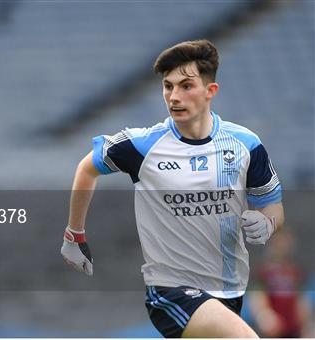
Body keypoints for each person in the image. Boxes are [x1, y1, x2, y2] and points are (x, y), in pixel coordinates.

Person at [61, 39, 284, 338]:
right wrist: (74, 234)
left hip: (229, 291)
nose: (174, 96)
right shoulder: (142, 144)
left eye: (186, 86)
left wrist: (267, 223)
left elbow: (273, 206)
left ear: (210, 91)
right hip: (171, 291)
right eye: (168, 86)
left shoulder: (245, 144)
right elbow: (86, 168)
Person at [249, 230, 313, 337]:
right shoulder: (263, 271)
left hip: (293, 328)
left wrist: (307, 325)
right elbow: (257, 296)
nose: (283, 246)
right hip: (272, 328)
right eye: (279, 242)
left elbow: (302, 300)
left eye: (286, 242)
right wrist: (264, 315)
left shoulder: (296, 271)